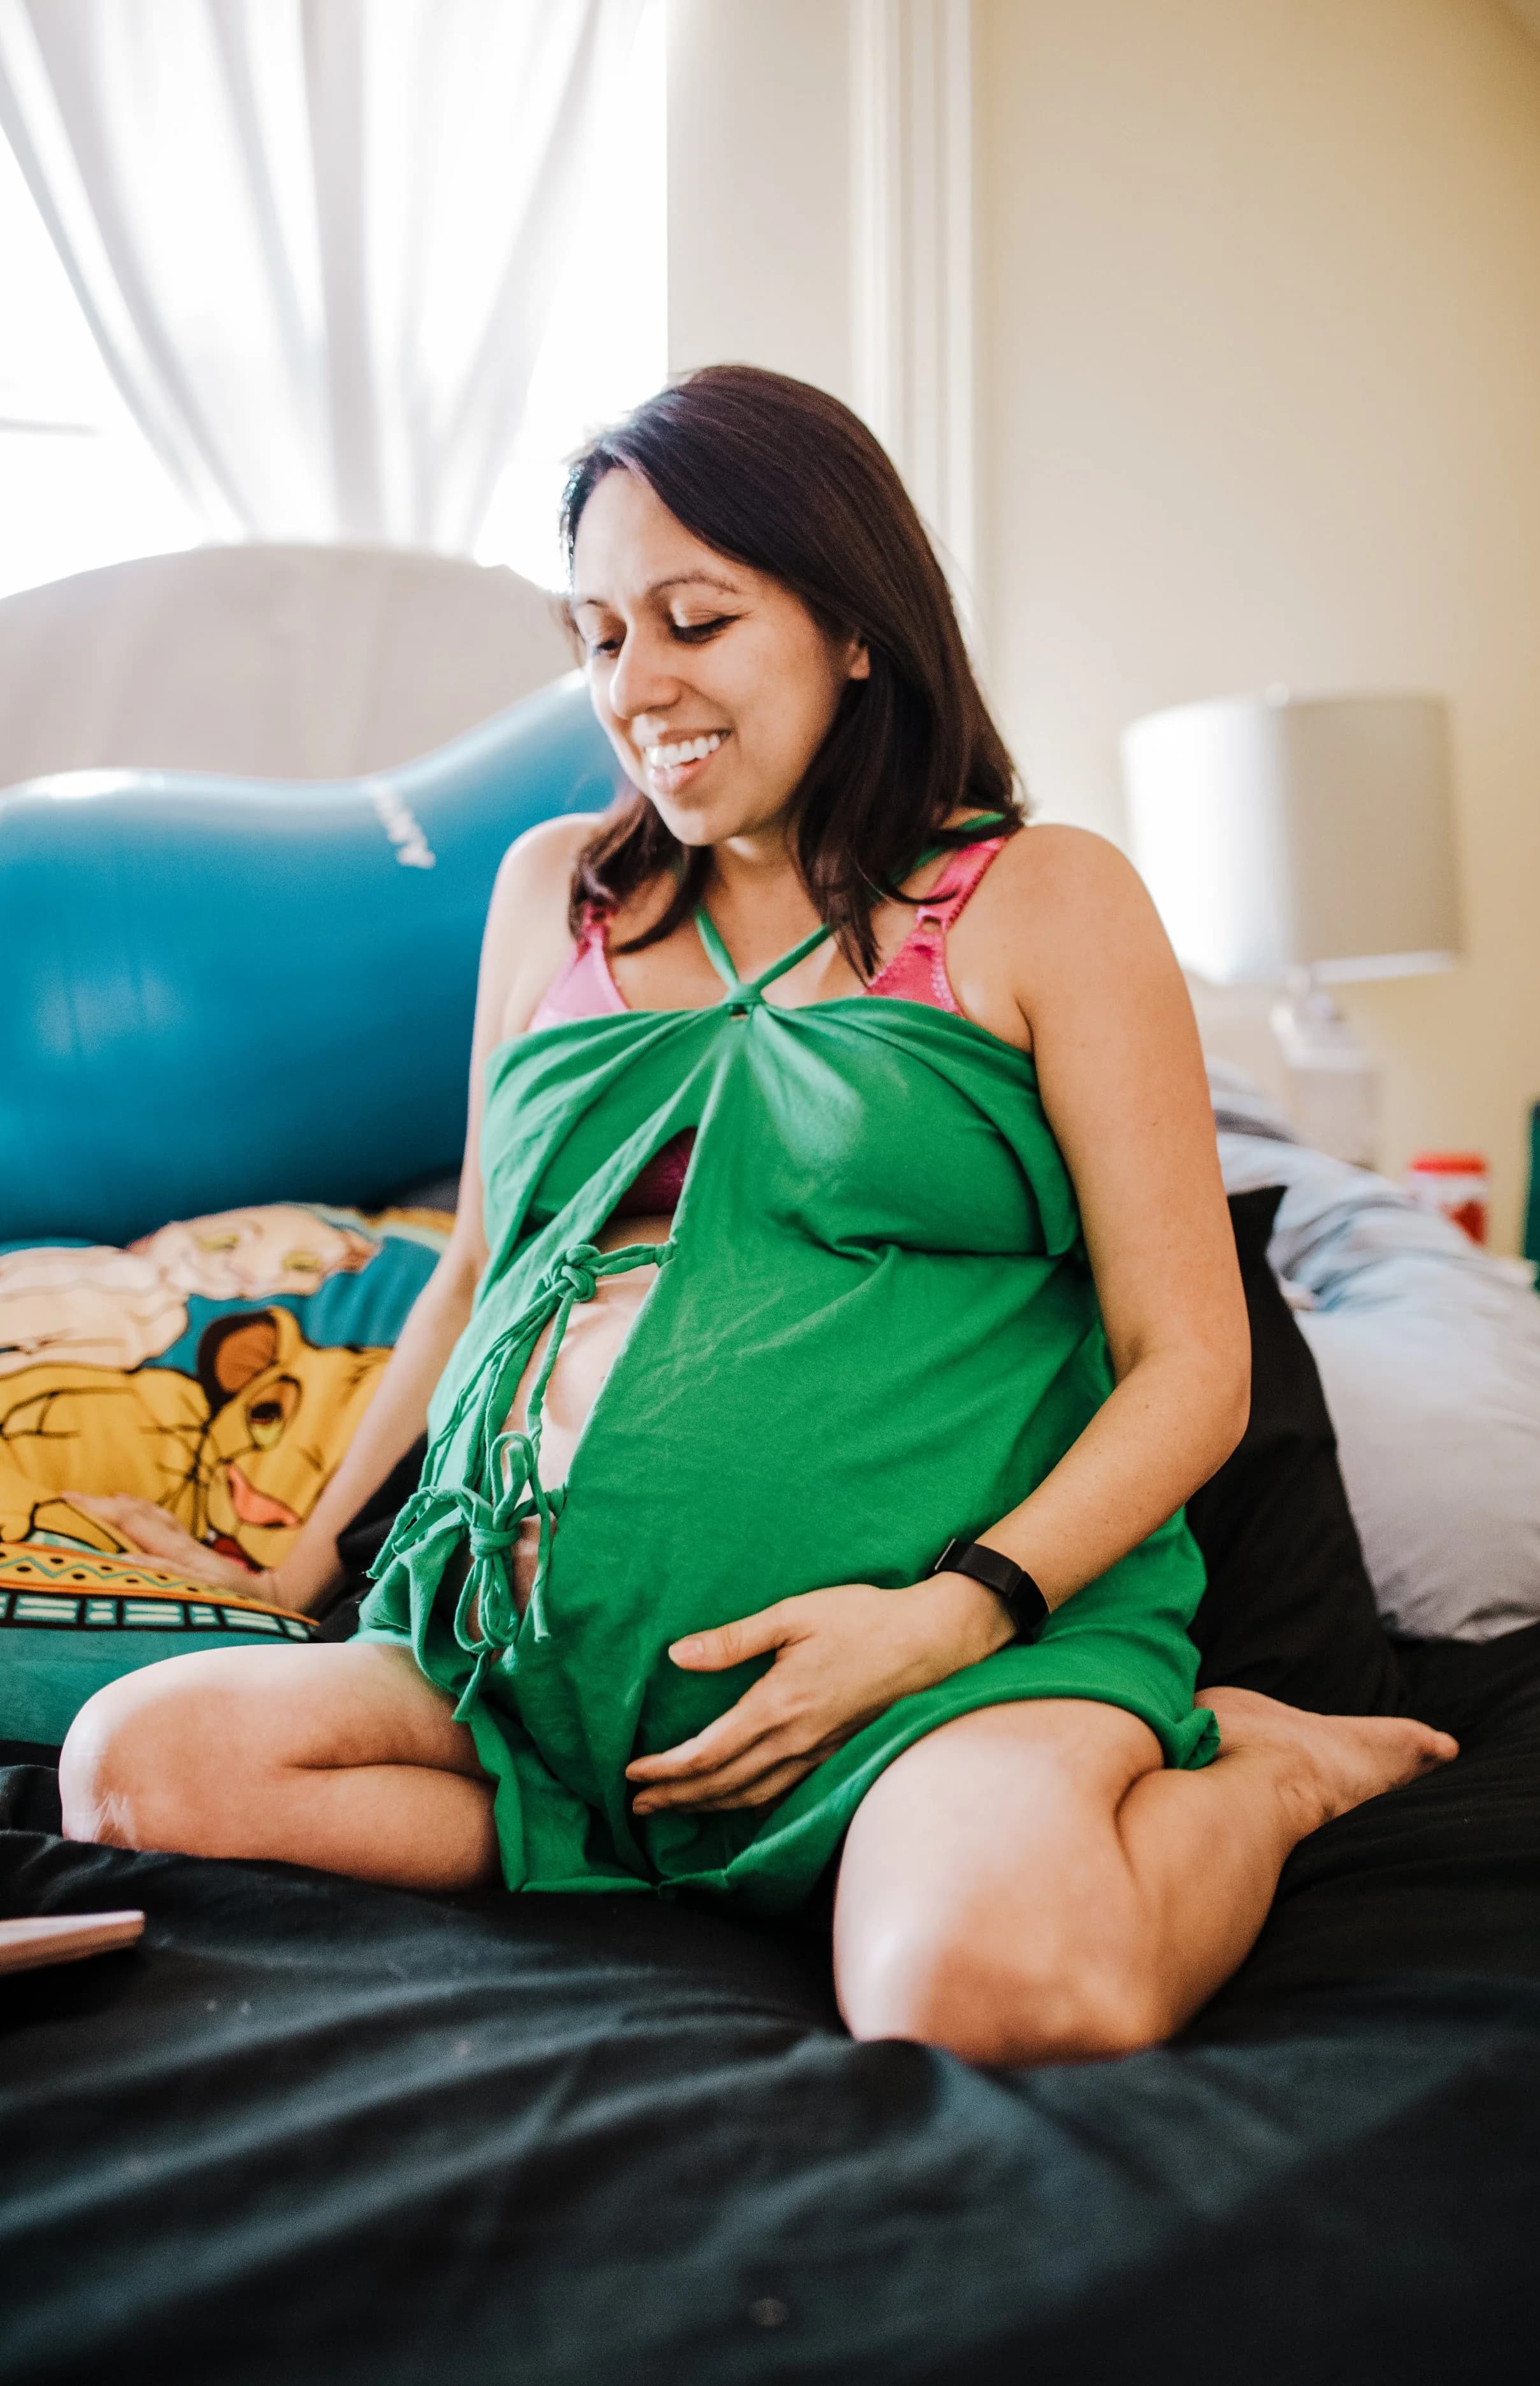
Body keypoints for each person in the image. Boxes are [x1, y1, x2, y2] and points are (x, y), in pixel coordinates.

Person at [60, 367, 1455, 2067]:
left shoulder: (1040, 900)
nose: (635, 686)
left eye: (693, 618)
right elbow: (485, 1267)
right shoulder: (554, 892)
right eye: (595, 635)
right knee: (139, 1759)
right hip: (532, 1667)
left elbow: (1188, 1364)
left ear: (854, 625)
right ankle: (656, 1835)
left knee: (1003, 1991)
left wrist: (954, 1609)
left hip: (938, 1658)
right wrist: (299, 1561)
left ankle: (1261, 1767)